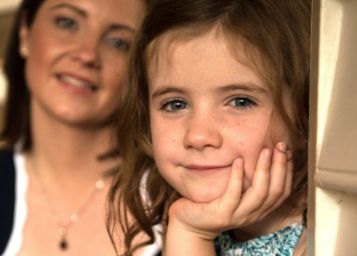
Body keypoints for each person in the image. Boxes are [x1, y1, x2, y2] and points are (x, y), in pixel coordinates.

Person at [0, 0, 157, 255]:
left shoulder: (173, 200)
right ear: (25, 32)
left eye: (118, 42)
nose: (87, 54)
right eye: (67, 22)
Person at [108, 0, 310, 255]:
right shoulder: (195, 221)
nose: (199, 136)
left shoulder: (327, 240)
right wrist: (190, 231)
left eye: (240, 101)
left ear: (306, 113)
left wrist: (191, 234)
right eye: (175, 104)